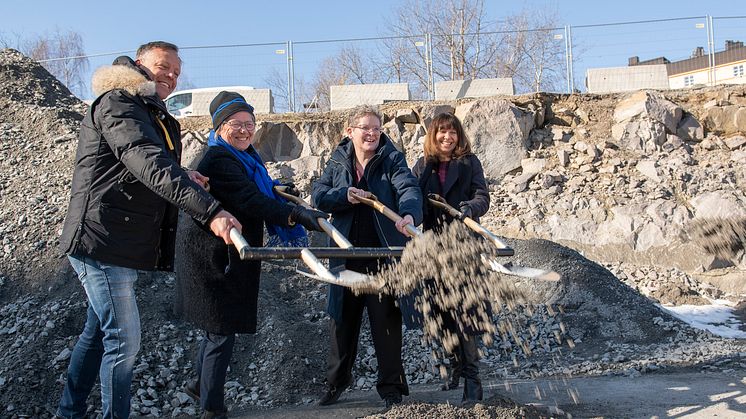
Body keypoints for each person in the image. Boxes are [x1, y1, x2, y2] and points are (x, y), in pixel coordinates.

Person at [56, 42, 241, 419]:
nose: (170, 76)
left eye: (176, 72)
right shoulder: (120, 102)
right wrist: (211, 212)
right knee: (123, 341)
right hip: (102, 238)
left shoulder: (146, 111)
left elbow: (139, 165)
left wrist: (185, 174)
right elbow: (147, 161)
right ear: (139, 64)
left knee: (96, 335)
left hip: (117, 238)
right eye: (163, 67)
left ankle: (69, 413)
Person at [174, 91, 328, 419]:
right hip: (214, 257)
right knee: (221, 329)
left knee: (217, 327)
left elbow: (260, 190)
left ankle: (199, 385)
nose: (245, 130)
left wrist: (280, 192)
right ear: (219, 128)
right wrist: (295, 215)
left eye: (249, 124)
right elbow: (250, 200)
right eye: (236, 125)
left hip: (225, 252)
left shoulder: (245, 156)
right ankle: (212, 409)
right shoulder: (219, 159)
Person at [311, 105, 423, 409]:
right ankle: (336, 383)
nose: (372, 133)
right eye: (365, 128)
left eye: (377, 128)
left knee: (386, 322)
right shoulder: (337, 160)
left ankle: (391, 388)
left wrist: (410, 215)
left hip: (383, 256)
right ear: (351, 131)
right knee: (342, 323)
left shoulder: (391, 159)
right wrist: (343, 195)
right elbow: (318, 195)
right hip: (345, 256)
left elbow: (408, 189)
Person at [411, 112, 490, 402]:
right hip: (433, 249)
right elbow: (409, 197)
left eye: (452, 132)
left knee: (465, 313)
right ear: (433, 135)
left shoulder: (469, 163)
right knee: (441, 312)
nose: (448, 137)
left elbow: (483, 196)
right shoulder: (423, 166)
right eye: (442, 132)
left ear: (459, 136)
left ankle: (473, 380)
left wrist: (468, 208)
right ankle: (455, 363)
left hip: (464, 247)